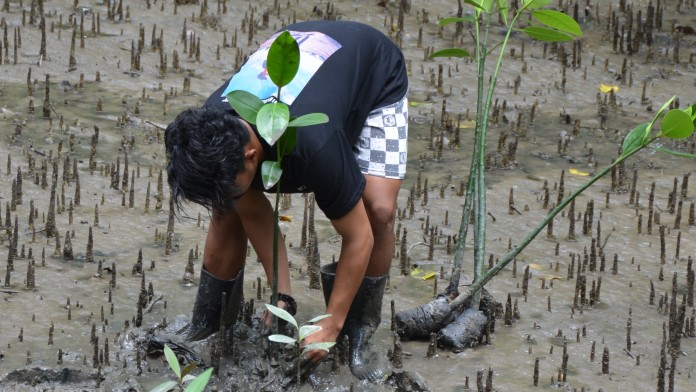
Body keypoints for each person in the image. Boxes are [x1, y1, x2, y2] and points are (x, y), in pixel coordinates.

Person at [164, 20, 408, 381]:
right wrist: (283, 297)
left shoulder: (315, 144)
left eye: (236, 183)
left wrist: (331, 322)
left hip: (373, 75)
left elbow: (360, 237)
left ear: (250, 157)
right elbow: (256, 215)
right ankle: (209, 326)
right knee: (228, 210)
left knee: (377, 212)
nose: (235, 194)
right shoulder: (212, 124)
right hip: (311, 66)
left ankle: (357, 334)